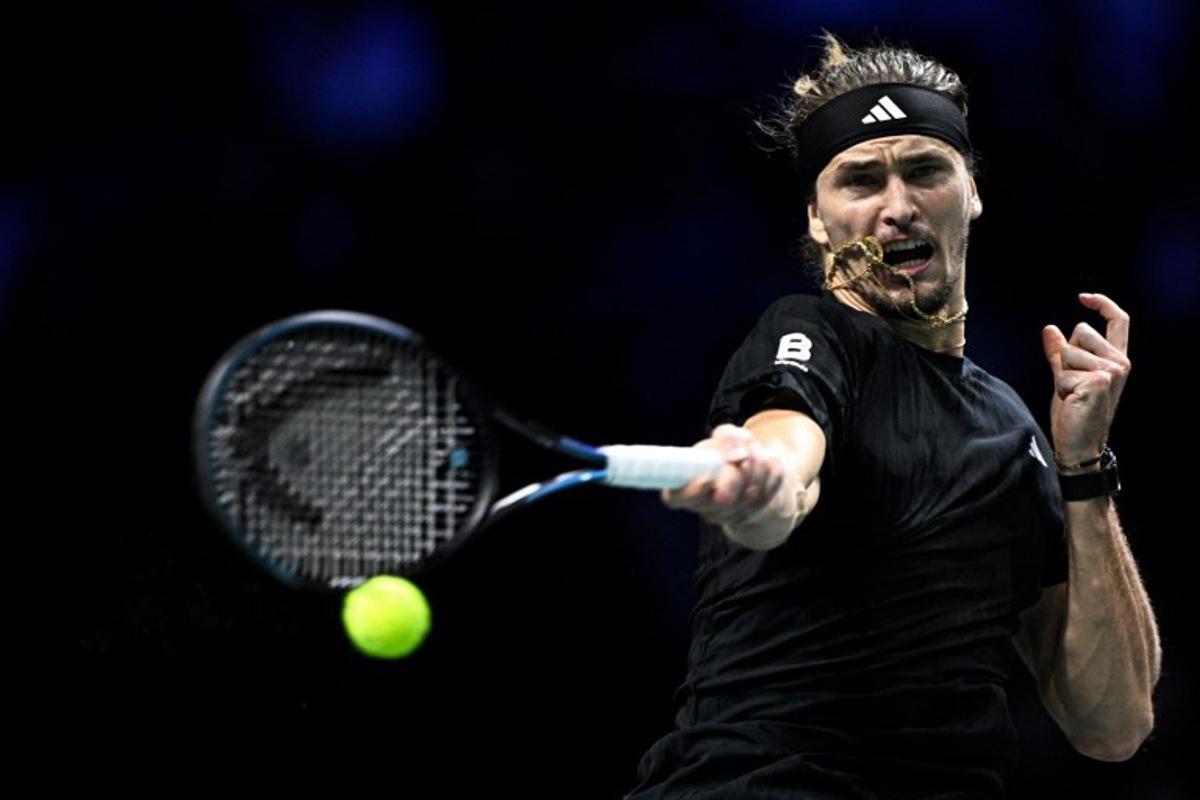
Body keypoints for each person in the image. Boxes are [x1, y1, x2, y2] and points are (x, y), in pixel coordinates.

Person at [626, 34, 1161, 799]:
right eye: (861, 181)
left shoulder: (1012, 428)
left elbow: (1113, 725)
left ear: (971, 190)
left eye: (924, 170)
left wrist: (1084, 469)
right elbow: (787, 449)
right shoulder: (812, 333)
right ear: (817, 219)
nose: (898, 208)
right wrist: (763, 481)